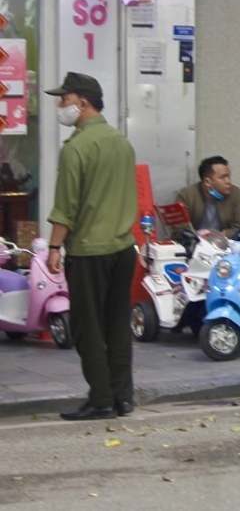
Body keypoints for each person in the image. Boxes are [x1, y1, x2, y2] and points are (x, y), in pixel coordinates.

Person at [45, 72, 138, 421]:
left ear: (82, 102)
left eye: (63, 99)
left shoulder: (77, 148)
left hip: (88, 251)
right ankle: (122, 397)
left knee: (87, 328)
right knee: (117, 324)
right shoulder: (121, 142)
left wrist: (55, 248)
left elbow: (65, 208)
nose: (60, 105)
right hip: (123, 248)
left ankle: (100, 399)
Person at [172, 156, 240, 272]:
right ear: (208, 182)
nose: (228, 181)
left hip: (223, 243)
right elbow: (180, 229)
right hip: (195, 244)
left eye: (228, 176)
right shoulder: (187, 195)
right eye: (223, 177)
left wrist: (219, 237)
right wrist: (202, 240)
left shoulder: (235, 193)